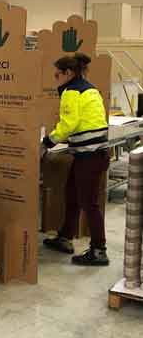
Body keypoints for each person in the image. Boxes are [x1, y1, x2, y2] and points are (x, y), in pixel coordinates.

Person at [42, 53, 110, 266]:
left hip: (89, 156)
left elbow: (68, 124)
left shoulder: (71, 91)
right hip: (93, 154)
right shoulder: (90, 88)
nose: (55, 79)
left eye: (57, 74)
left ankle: (99, 250)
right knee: (72, 194)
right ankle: (65, 237)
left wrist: (46, 143)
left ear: (68, 73)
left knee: (89, 203)